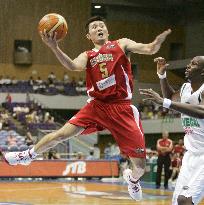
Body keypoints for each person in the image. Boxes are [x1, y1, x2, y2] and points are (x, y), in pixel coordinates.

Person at [1, 16, 171, 201]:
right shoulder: (88, 55)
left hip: (122, 108)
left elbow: (148, 48)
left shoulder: (121, 44)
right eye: (94, 27)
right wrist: (54, 47)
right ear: (88, 35)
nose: (99, 28)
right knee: (60, 134)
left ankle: (132, 179)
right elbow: (73, 66)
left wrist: (156, 43)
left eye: (102, 25)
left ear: (107, 31)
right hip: (96, 107)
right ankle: (28, 155)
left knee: (140, 167)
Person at [140, 56, 204, 205]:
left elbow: (202, 111)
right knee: (177, 202)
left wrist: (165, 102)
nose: (188, 66)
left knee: (185, 200)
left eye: (194, 64)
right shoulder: (185, 88)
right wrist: (162, 76)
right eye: (189, 63)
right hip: (190, 155)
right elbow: (169, 97)